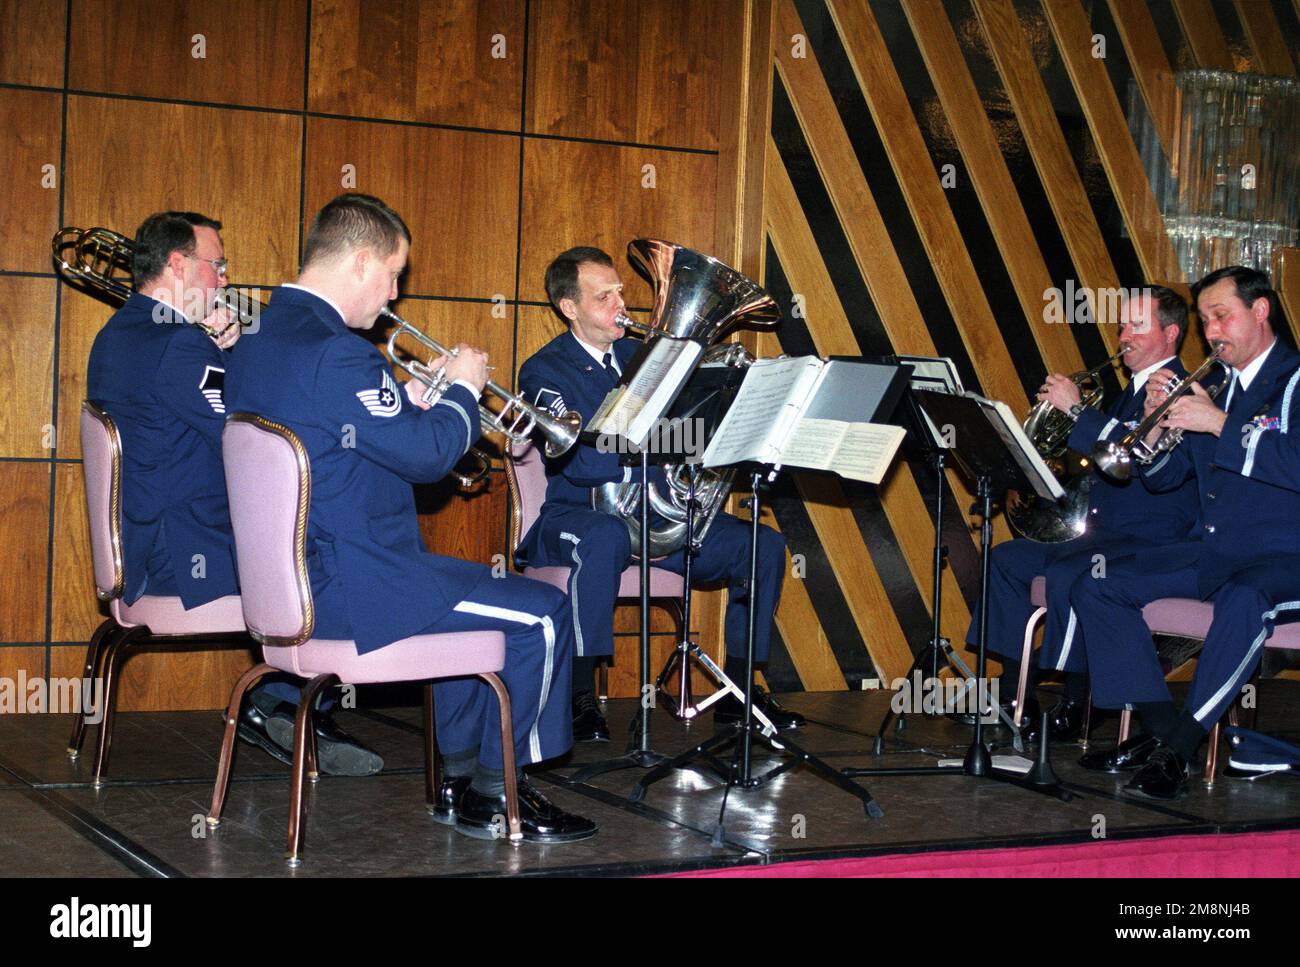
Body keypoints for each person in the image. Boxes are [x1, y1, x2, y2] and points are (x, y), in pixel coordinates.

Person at [225, 194, 595, 842]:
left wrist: (409, 401)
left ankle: (460, 782)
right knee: (541, 611)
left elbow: (336, 435)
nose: (395, 292)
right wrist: (461, 388)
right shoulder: (340, 351)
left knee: (473, 594)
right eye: (394, 273)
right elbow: (426, 458)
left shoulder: (260, 336)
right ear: (362, 260)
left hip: (294, 587)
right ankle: (504, 791)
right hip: (360, 589)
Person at [86, 211, 381, 777]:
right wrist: (237, 352)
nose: (224, 279)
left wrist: (220, 349)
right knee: (331, 560)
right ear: (177, 265)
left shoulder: (119, 334)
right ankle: (280, 704)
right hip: (181, 555)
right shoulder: (177, 345)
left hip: (148, 542)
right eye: (215, 265)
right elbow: (248, 440)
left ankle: (289, 704)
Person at [514, 246, 801, 742]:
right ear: (570, 308)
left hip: (654, 517)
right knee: (604, 538)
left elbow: (688, 439)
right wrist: (645, 437)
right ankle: (580, 696)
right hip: (577, 514)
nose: (620, 303)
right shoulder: (545, 372)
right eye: (603, 296)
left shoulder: (642, 355)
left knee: (762, 545)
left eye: (620, 291)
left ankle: (741, 691)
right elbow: (582, 463)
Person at [1070, 266, 1300, 799]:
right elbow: (1165, 479)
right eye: (1204, 320)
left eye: (1223, 316)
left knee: (1246, 598)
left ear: (1260, 311)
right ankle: (1161, 730)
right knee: (1099, 584)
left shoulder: (1292, 379)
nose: (1212, 330)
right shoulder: (1214, 384)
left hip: (1284, 552)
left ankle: (1178, 749)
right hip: (1219, 549)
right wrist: (1156, 426)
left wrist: (1218, 423)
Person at [964, 286, 1199, 740]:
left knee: (1073, 574)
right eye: (1122, 326)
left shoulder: (1180, 389)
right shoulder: (1129, 390)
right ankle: (1017, 698)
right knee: (1007, 561)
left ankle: (1076, 702)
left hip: (1151, 538)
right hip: (1105, 529)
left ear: (1170, 333)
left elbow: (1130, 457)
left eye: (1137, 326)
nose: (1123, 336)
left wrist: (1075, 410)